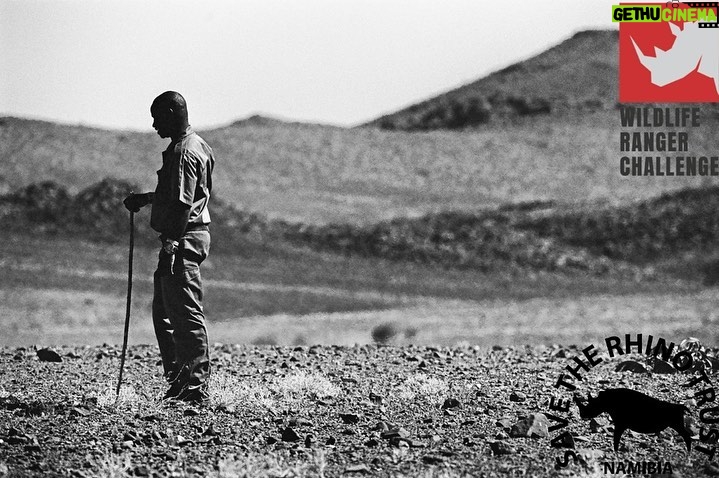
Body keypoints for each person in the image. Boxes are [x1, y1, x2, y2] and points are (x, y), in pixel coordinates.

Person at [124, 91, 215, 404]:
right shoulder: (197, 145)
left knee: (184, 312)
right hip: (189, 233)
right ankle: (180, 381)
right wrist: (147, 199)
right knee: (165, 311)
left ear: (174, 113)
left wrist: (172, 241)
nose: (153, 124)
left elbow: (182, 202)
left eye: (157, 116)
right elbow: (184, 193)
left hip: (183, 238)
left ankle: (194, 387)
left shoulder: (184, 152)